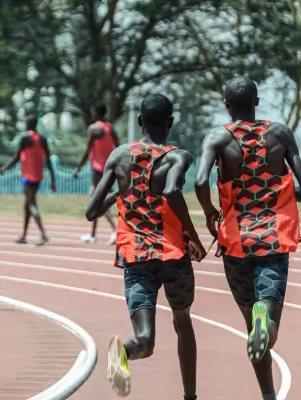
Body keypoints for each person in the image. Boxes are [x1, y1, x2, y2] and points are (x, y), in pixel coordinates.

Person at [194, 77, 301, 400]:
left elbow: (199, 180)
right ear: (257, 101)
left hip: (235, 240)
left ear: (226, 104)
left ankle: (268, 395)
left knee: (252, 326)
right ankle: (267, 326)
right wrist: (278, 196)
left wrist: (210, 213)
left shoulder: (218, 137)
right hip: (273, 238)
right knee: (267, 318)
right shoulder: (279, 133)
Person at [85, 93, 206, 399]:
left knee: (145, 339)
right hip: (173, 255)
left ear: (139, 121)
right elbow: (172, 191)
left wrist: (121, 192)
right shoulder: (179, 155)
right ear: (170, 122)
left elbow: (91, 212)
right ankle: (189, 397)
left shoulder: (119, 156)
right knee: (183, 322)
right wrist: (193, 236)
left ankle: (124, 351)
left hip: (135, 256)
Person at [0, 116, 56, 246]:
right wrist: (53, 180)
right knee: (27, 206)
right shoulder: (43, 139)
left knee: (31, 204)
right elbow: (48, 161)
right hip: (37, 176)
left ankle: (43, 234)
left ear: (28, 124)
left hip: (27, 175)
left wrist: (5, 168)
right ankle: (24, 236)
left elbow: (16, 157)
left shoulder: (25, 138)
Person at [74, 102, 119, 245]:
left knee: (98, 199)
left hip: (98, 168)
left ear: (96, 113)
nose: (91, 115)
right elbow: (118, 147)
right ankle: (93, 234)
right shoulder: (110, 128)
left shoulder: (93, 129)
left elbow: (88, 150)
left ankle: (115, 229)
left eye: (93, 112)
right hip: (109, 167)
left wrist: (78, 167)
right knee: (97, 198)